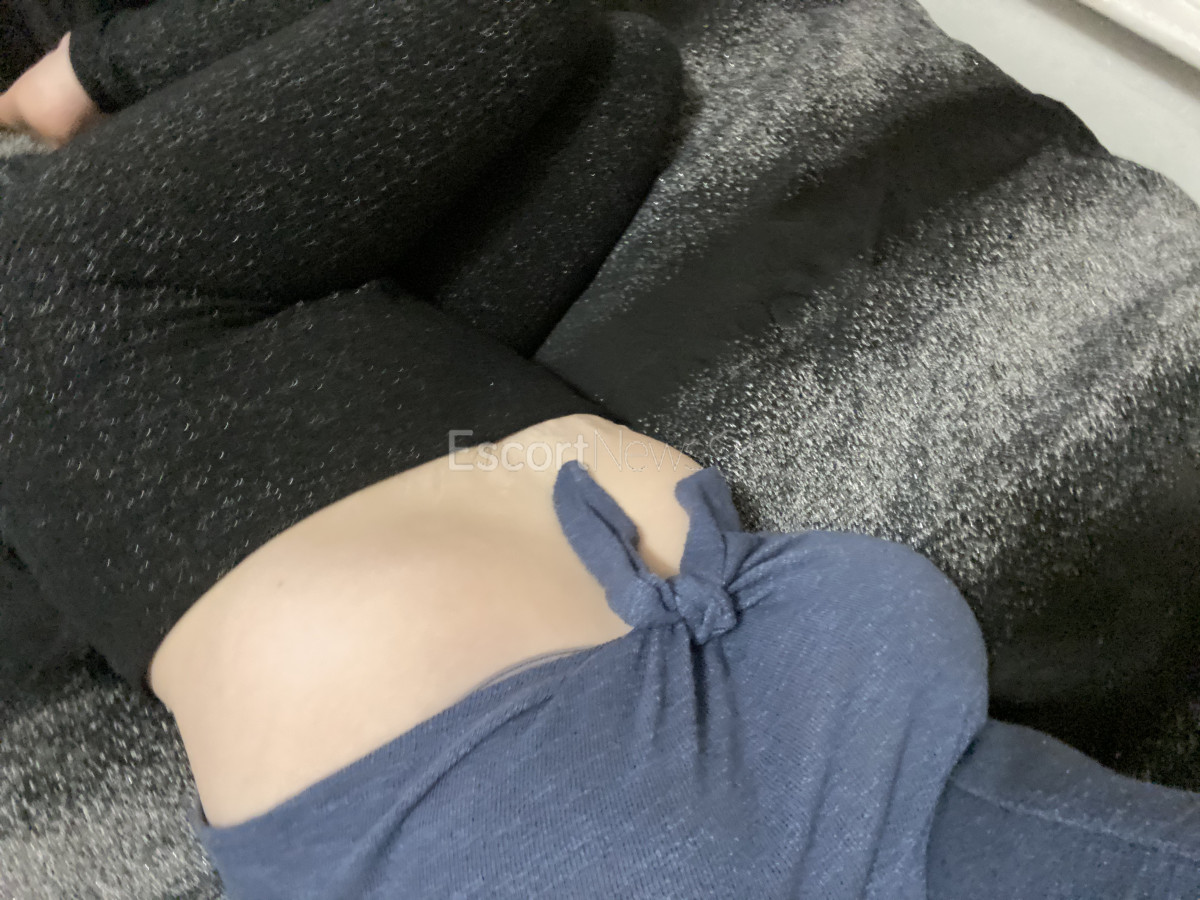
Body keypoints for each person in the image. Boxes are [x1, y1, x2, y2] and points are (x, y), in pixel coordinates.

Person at [0, 0, 1197, 897]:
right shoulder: (61, 279)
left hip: (566, 767)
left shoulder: (102, 357)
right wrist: (99, 69)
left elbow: (603, 83)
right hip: (582, 787)